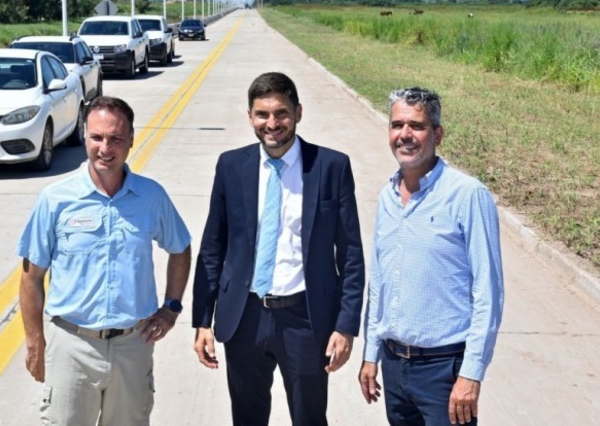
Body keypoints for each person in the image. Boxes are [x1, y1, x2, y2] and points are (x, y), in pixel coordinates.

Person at [192, 71, 365, 426]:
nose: (272, 123)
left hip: (305, 318)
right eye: (262, 114)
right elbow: (213, 247)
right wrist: (201, 321)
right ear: (250, 117)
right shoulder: (231, 166)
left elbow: (350, 255)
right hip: (244, 317)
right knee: (248, 417)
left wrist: (345, 326)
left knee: (309, 417)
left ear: (298, 112)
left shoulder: (331, 167)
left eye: (281, 113)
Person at [18, 96, 192, 425]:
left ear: (130, 140)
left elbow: (180, 248)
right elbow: (30, 277)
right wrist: (34, 341)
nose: (105, 148)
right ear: (85, 137)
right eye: (96, 137)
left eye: (115, 138)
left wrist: (171, 308)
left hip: (132, 345)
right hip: (71, 347)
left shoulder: (151, 196)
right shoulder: (55, 200)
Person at [358, 87, 504, 425]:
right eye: (397, 125)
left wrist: (471, 374)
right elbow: (379, 281)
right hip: (395, 369)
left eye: (417, 126)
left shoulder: (467, 196)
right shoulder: (387, 197)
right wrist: (371, 354)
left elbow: (489, 294)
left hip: (445, 373)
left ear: (437, 134)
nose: (405, 135)